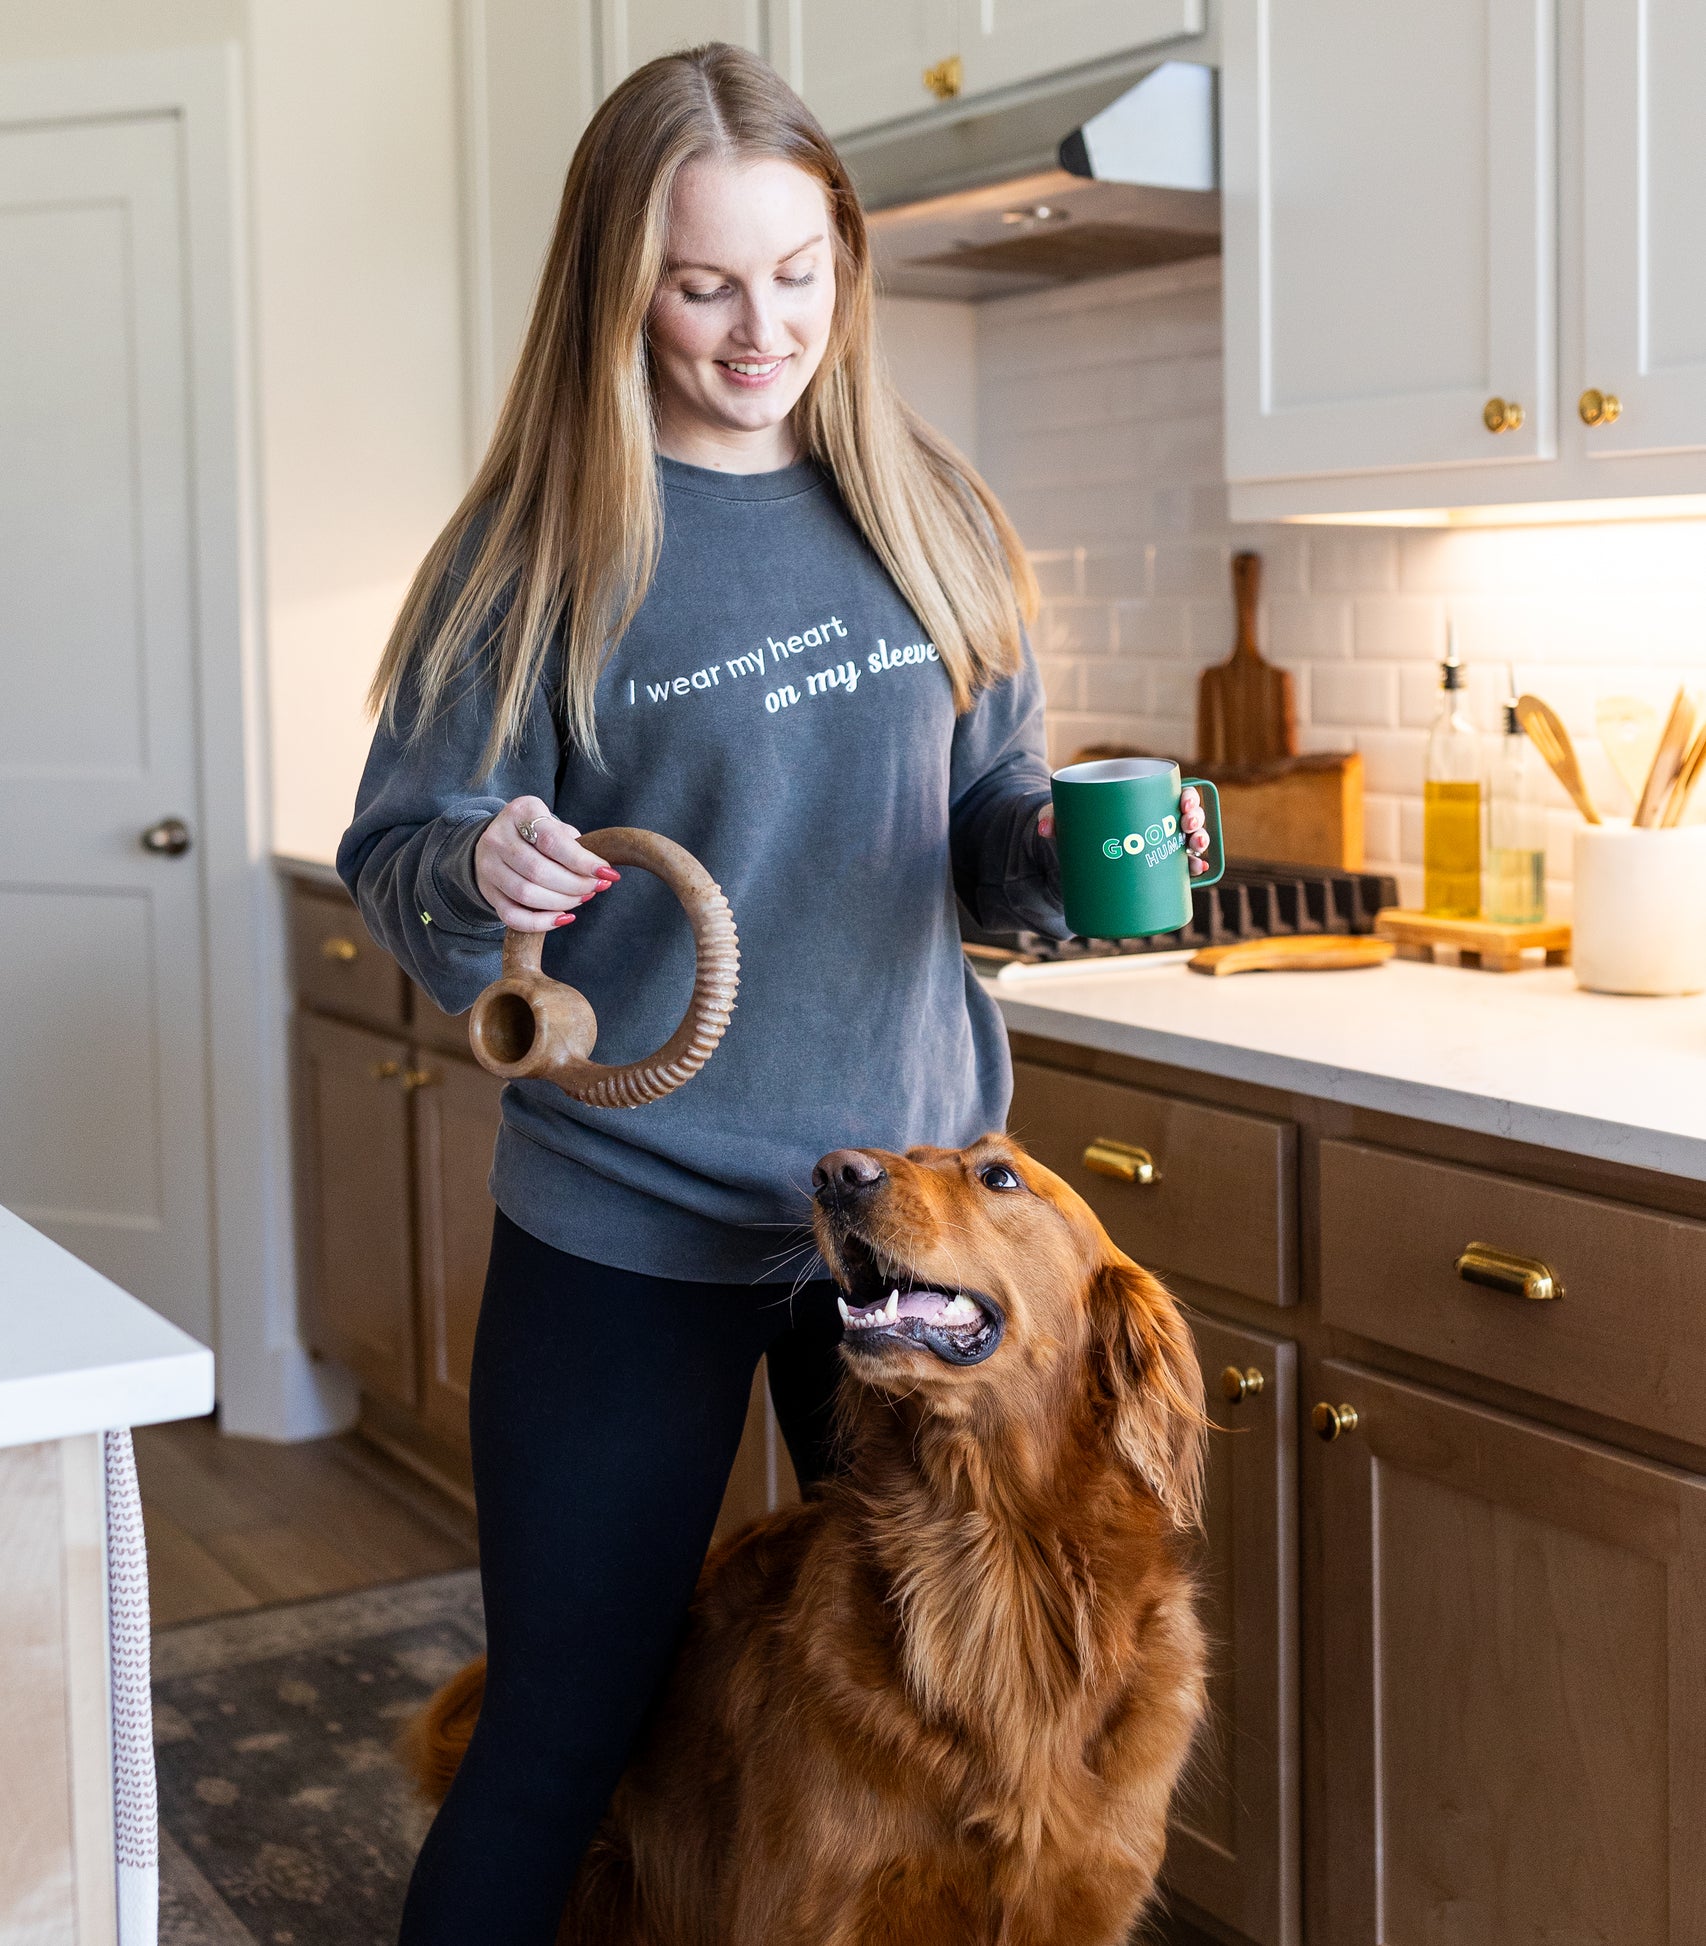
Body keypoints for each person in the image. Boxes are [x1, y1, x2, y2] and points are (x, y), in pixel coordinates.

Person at [338, 41, 1207, 1944]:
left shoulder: (933, 514)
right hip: (626, 1218)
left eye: (799, 274)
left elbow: (983, 835)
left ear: (848, 265)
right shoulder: (534, 549)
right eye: (703, 282)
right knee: (567, 1728)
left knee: (950, 1745)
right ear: (614, 283)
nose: (759, 331)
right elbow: (397, 851)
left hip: (909, 1244)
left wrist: (1047, 869)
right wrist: (476, 864)